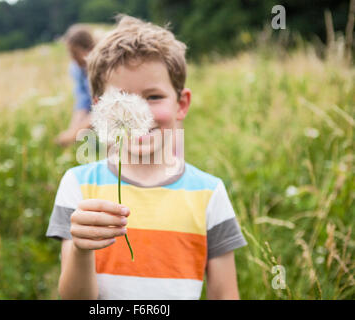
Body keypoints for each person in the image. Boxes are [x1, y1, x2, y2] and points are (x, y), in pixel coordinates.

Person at [46, 14, 247, 299]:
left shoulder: (209, 193)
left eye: (153, 97)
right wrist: (81, 247)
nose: (137, 112)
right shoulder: (79, 186)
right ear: (99, 109)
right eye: (122, 99)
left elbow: (225, 295)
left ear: (182, 104)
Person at [55, 24, 95, 146]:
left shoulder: (105, 67)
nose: (72, 58)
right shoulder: (76, 69)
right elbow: (82, 102)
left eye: (75, 53)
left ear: (89, 49)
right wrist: (72, 130)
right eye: (69, 53)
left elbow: (106, 107)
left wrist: (75, 134)